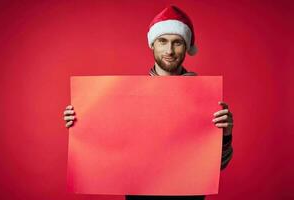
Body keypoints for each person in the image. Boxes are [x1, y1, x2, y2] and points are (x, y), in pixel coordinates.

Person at [63, 5, 233, 200]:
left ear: (186, 46)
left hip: (188, 196)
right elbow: (108, 148)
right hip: (141, 196)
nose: (169, 50)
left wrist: (226, 135)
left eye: (177, 42)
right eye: (163, 41)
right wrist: (79, 123)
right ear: (153, 44)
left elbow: (218, 165)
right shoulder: (126, 97)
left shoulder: (205, 98)